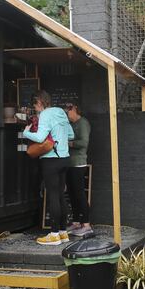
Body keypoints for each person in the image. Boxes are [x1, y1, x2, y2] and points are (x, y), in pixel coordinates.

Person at [23, 90, 74, 246]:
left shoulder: (45, 114)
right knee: (60, 195)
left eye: (35, 105)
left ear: (39, 102)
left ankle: (53, 235)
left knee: (52, 195)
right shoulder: (61, 112)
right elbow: (71, 135)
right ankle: (63, 233)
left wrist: (26, 132)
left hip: (51, 160)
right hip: (64, 159)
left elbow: (39, 138)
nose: (36, 109)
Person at [64, 102, 93, 237]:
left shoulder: (83, 123)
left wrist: (69, 143)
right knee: (72, 194)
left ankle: (86, 225)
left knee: (80, 194)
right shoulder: (70, 124)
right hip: (69, 163)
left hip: (79, 164)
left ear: (75, 109)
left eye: (68, 111)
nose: (66, 114)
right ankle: (76, 223)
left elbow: (84, 143)